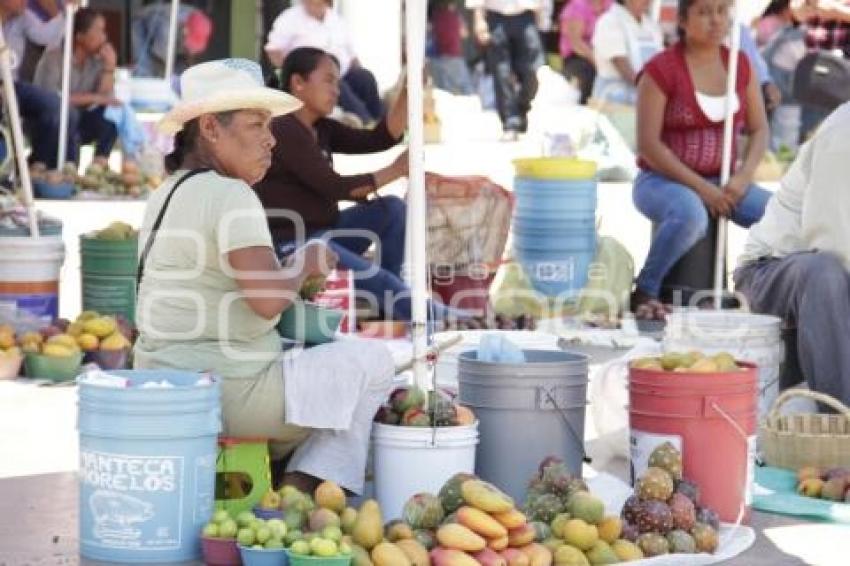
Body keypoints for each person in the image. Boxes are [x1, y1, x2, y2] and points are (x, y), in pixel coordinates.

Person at [134, 58, 396, 495]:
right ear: (211, 129)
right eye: (257, 125)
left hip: (163, 382)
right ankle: (300, 492)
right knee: (374, 364)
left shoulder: (167, 192)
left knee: (323, 372)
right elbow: (268, 300)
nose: (271, 140)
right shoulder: (230, 193)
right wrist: (304, 262)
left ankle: (275, 480)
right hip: (228, 395)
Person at [255, 48, 465, 322]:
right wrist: (397, 169)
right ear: (298, 83)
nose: (337, 91)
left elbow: (381, 138)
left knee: (392, 210)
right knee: (374, 275)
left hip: (326, 232)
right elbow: (337, 188)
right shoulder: (283, 128)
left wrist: (408, 89)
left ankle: (392, 304)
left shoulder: (321, 128)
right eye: (328, 80)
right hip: (296, 244)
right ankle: (423, 313)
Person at [631, 0, 772, 318]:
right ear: (682, 20)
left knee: (777, 215)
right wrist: (703, 189)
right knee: (690, 215)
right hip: (661, 181)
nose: (716, 20)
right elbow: (648, 146)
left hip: (724, 182)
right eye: (705, 12)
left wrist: (742, 178)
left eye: (722, 11)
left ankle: (755, 291)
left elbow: (760, 129)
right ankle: (645, 290)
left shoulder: (739, 65)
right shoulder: (661, 70)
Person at [735, 102, 850, 405]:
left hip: (828, 278)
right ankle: (840, 424)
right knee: (825, 273)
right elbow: (830, 241)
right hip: (772, 272)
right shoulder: (844, 131)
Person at [265, 0, 383, 125]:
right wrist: (288, 70)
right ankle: (367, 123)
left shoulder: (336, 19)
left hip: (342, 71)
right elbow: (273, 51)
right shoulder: (289, 18)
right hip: (313, 76)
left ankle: (381, 123)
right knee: (335, 84)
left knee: (365, 77)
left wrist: (358, 69)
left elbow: (351, 54)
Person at [33, 7, 117, 164]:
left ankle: (98, 168)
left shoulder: (96, 63)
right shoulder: (54, 59)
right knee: (71, 116)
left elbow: (105, 98)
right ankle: (68, 171)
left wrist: (109, 68)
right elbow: (51, 99)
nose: (104, 37)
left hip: (81, 120)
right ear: (80, 36)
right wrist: (94, 98)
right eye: (99, 31)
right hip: (50, 122)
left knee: (109, 122)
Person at [0, 0, 71, 167]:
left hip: (12, 85)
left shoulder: (22, 17)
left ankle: (39, 166)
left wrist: (58, 12)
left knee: (54, 106)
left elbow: (47, 37)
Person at [466, 0, 545, 139]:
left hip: (526, 15)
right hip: (496, 17)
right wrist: (479, 20)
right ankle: (511, 122)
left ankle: (521, 108)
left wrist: (541, 17)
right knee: (502, 72)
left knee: (532, 70)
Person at [591, 0, 662, 105]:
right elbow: (622, 65)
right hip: (612, 102)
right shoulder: (610, 22)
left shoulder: (652, 27)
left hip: (644, 100)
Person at [130, 3, 213, 79]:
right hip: (142, 26)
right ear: (185, 30)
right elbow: (162, 61)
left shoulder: (200, 20)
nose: (192, 51)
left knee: (180, 70)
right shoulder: (167, 29)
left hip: (175, 33)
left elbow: (189, 55)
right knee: (147, 69)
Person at [559, 0, 612, 105]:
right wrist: (598, 62)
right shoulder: (578, 5)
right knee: (591, 75)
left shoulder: (610, 5)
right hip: (577, 57)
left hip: (603, 55)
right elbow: (576, 42)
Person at [428, 0, 474, 95]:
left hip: (439, 57)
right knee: (466, 90)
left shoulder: (436, 17)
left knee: (444, 90)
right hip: (454, 56)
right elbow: (464, 33)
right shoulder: (455, 17)